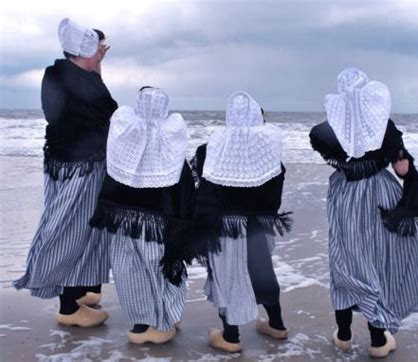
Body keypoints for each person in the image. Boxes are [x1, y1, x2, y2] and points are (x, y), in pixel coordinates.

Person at [309, 68, 418, 358]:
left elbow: (336, 160)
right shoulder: (385, 127)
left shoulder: (324, 132)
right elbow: (402, 169)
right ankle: (378, 341)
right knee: (378, 262)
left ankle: (343, 335)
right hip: (381, 194)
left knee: (345, 259)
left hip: (344, 197)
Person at [13, 18, 117, 327]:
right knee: (74, 230)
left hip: (59, 163)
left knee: (76, 226)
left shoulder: (54, 73)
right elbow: (109, 110)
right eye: (99, 48)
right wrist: (98, 69)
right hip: (83, 166)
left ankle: (79, 291)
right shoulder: (85, 82)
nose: (102, 53)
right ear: (86, 50)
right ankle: (69, 307)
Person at [90, 87, 194, 344]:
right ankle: (163, 322)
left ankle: (139, 325)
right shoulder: (170, 144)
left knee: (128, 272)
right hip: (158, 224)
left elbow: (108, 179)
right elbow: (183, 190)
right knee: (158, 269)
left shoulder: (123, 138)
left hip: (122, 220)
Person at [191, 91, 292, 353]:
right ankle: (277, 325)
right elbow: (276, 192)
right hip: (260, 224)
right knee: (262, 272)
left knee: (227, 277)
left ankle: (231, 337)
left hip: (225, 227)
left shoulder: (209, 149)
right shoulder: (270, 152)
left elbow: (200, 188)